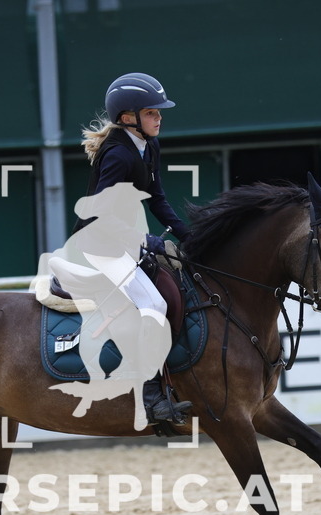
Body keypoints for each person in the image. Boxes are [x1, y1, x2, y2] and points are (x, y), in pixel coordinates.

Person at [74, 72, 192, 427]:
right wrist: (149, 241)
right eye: (152, 112)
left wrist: (189, 236)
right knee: (153, 304)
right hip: (98, 244)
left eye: (158, 112)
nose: (159, 118)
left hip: (125, 240)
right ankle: (151, 396)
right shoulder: (117, 156)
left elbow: (157, 199)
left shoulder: (149, 146)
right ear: (129, 118)